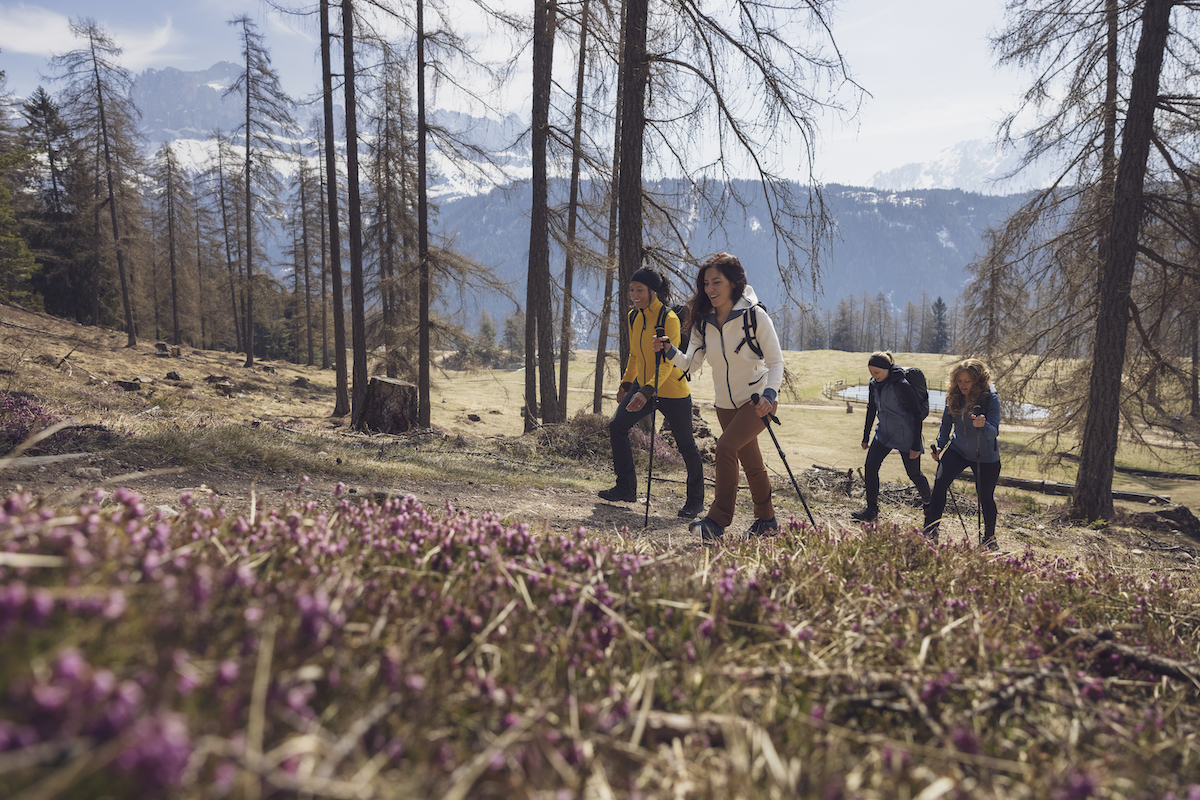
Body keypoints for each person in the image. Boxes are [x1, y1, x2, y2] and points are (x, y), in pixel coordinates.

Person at [653, 252, 784, 543]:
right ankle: (768, 521)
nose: (710, 289)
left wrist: (770, 393)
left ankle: (717, 520)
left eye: (717, 282)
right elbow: (692, 364)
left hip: (757, 400)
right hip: (725, 404)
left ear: (734, 283)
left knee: (725, 446)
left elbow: (776, 363)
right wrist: (669, 351)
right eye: (706, 284)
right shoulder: (703, 321)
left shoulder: (754, 316)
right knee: (752, 464)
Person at [599, 268, 705, 519]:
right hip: (643, 385)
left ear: (652, 291)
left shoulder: (668, 318)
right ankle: (626, 487)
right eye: (631, 290)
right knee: (617, 425)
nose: (634, 295)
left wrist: (646, 391)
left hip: (672, 389)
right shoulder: (633, 317)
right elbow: (635, 354)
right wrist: (626, 385)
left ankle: (695, 502)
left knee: (686, 445)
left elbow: (669, 361)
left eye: (640, 290)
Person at [924, 358, 1002, 550]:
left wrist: (983, 426)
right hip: (958, 449)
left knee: (985, 497)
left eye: (967, 381)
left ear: (977, 380)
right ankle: (931, 529)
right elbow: (946, 424)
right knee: (940, 484)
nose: (962, 385)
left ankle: (989, 537)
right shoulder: (954, 395)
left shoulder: (989, 398)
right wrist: (940, 445)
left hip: (985, 456)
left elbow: (994, 431)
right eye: (959, 381)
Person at [851, 352, 931, 522]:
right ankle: (871, 510)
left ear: (887, 369)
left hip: (906, 435)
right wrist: (866, 436)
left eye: (876, 372)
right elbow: (871, 409)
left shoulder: (902, 385)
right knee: (870, 467)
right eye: (871, 372)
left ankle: (930, 506)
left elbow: (917, 413)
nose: (873, 376)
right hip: (884, 434)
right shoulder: (874, 384)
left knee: (914, 474)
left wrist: (916, 444)